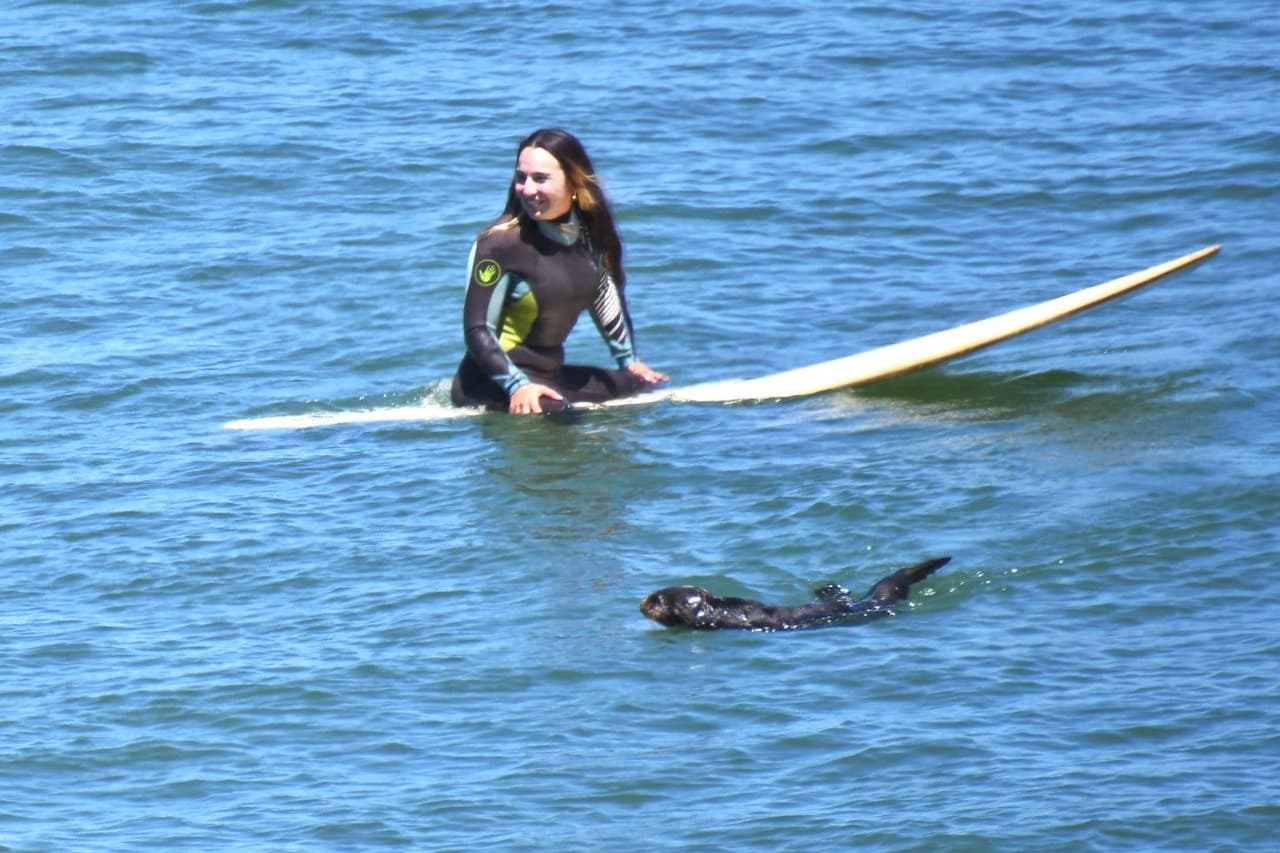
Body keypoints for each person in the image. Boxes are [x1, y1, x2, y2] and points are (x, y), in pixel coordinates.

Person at [450, 128, 668, 414]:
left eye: (540, 178)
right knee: (561, 415)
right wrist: (518, 386)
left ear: (574, 183)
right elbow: (477, 329)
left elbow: (603, 296)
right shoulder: (499, 244)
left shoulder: (590, 237)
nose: (528, 189)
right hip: (490, 382)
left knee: (648, 388)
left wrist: (629, 362)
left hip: (549, 375)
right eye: (521, 178)